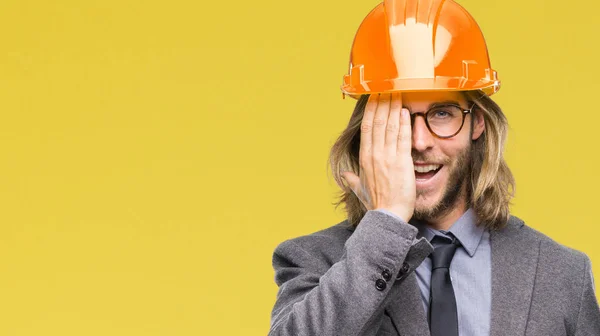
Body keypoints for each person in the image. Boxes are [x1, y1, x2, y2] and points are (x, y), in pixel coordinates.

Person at [267, 0, 600, 335]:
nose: (420, 142)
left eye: (442, 113)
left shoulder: (563, 273)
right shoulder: (313, 259)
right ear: (367, 131)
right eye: (398, 117)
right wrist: (386, 222)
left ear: (477, 124)